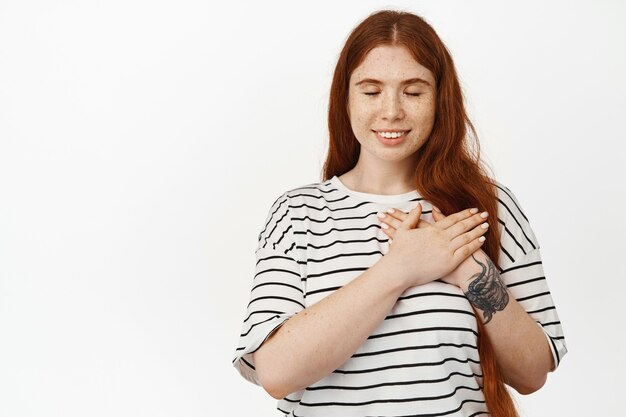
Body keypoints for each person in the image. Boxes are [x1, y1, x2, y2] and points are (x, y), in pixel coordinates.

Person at [232, 9, 567, 417]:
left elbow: (532, 373)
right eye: (371, 91)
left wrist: (469, 270)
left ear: (440, 98)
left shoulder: (487, 208)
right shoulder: (297, 213)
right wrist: (401, 268)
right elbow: (275, 372)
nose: (391, 111)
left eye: (413, 91)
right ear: (346, 97)